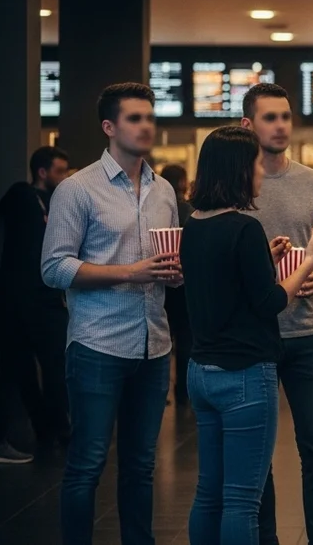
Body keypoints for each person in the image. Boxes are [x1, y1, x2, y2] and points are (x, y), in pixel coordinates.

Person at [181, 126, 313, 545]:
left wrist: (262, 259)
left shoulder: (194, 224)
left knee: (208, 492)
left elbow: (224, 280)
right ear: (238, 169)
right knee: (241, 501)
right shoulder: (245, 227)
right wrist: (311, 262)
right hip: (245, 374)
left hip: (201, 371)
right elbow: (270, 302)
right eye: (254, 164)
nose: (259, 173)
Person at [41, 83, 183, 545]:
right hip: (98, 345)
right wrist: (130, 272)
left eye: (150, 117)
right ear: (109, 127)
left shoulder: (164, 190)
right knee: (87, 463)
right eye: (134, 118)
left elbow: (166, 268)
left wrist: (175, 273)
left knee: (141, 466)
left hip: (153, 346)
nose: (146, 126)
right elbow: (54, 268)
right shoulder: (77, 189)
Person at [238, 83, 313, 545]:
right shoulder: (236, 186)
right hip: (254, 334)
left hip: (307, 331)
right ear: (248, 125)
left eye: (285, 116)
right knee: (258, 452)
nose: (281, 125)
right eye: (270, 117)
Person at [0, 146, 71, 462]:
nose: (64, 177)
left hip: (45, 297)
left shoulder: (55, 201)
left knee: (54, 365)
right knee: (21, 368)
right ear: (42, 172)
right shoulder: (22, 195)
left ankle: (56, 430)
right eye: (59, 171)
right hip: (20, 299)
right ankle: (48, 429)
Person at [159, 164, 195, 406]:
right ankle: (183, 390)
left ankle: (159, 391)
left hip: (159, 281)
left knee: (162, 338)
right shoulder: (191, 212)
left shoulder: (158, 209)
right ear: (183, 182)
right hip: (185, 285)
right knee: (185, 339)